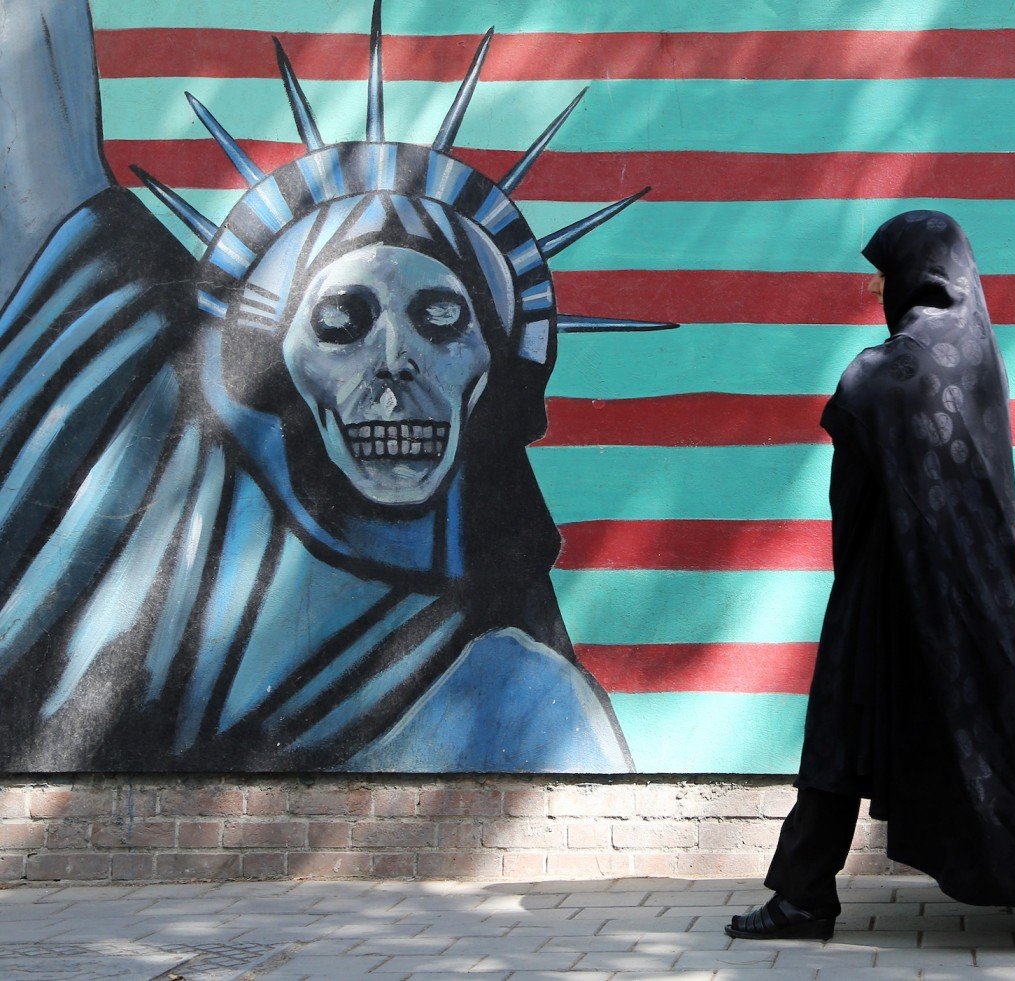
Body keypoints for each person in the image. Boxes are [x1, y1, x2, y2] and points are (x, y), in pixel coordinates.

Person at [0, 0, 670, 772]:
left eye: (442, 317)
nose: (395, 361)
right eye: (342, 318)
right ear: (272, 360)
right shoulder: (139, 464)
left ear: (493, 366)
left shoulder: (520, 700)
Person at [728, 211, 1015, 941]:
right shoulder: (977, 354)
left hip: (890, 585)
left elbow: (854, 484)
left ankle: (805, 897)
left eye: (884, 273)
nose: (878, 287)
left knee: (841, 728)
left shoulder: (888, 371)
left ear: (912, 275)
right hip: (985, 591)